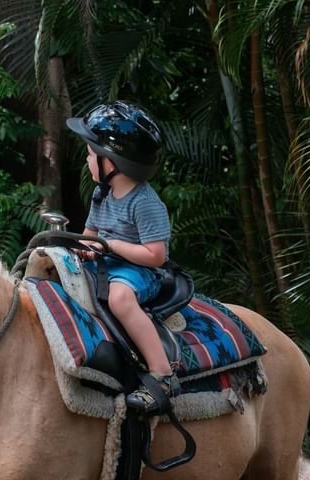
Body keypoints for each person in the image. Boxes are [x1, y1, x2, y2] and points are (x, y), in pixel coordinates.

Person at [66, 100, 180, 414]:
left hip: (138, 271)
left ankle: (162, 374)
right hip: (107, 262)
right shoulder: (101, 192)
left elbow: (156, 255)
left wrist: (111, 245)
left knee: (119, 300)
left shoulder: (143, 202)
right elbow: (89, 234)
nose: (88, 161)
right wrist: (79, 249)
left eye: (91, 155)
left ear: (113, 161)